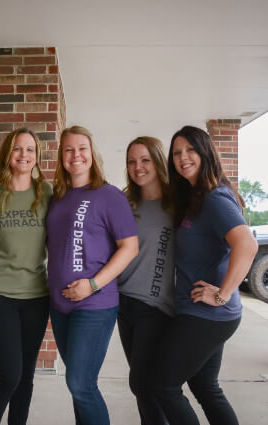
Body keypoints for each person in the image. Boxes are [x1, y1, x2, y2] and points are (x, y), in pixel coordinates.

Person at [154, 126, 258, 425]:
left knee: (164, 386)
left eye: (190, 150)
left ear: (206, 152)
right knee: (205, 387)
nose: (183, 157)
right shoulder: (198, 196)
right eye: (176, 152)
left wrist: (222, 293)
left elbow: (247, 245)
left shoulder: (214, 198)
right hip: (207, 314)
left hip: (207, 316)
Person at [46, 125, 139, 425]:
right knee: (79, 387)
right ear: (62, 157)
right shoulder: (57, 197)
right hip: (60, 307)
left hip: (95, 305)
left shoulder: (109, 195)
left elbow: (129, 247)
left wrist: (94, 284)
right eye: (69, 150)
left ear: (92, 153)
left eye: (82, 148)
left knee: (80, 383)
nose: (76, 155)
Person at [0, 128, 52, 425]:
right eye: (17, 149)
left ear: (37, 157)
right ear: (7, 153)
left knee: (27, 375)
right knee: (10, 373)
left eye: (30, 149)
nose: (23, 155)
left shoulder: (46, 192)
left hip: (36, 293)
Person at [117, 137, 175, 425]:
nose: (138, 167)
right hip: (123, 303)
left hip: (156, 305)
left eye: (145, 160)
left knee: (143, 384)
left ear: (158, 160)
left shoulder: (178, 202)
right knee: (143, 388)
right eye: (131, 161)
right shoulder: (126, 202)